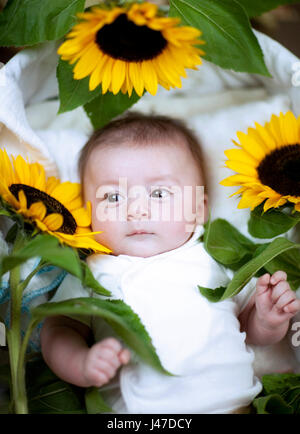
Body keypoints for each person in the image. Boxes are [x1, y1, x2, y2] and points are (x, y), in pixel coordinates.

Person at [40, 113, 300, 414]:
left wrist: (267, 319)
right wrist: (81, 364)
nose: (136, 210)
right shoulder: (95, 272)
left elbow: (248, 331)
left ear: (200, 208)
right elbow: (58, 329)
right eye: (112, 197)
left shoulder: (216, 259)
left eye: (159, 193)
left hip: (234, 407)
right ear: (87, 211)